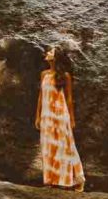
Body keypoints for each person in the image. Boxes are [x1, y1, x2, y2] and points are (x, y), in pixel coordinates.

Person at [35, 46, 85, 191]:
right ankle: (50, 180)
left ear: (55, 58)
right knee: (48, 146)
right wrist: (38, 116)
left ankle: (78, 179)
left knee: (66, 146)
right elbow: (40, 96)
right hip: (47, 115)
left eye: (50, 52)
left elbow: (69, 99)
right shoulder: (44, 74)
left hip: (61, 115)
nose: (47, 53)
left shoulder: (65, 76)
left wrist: (72, 118)